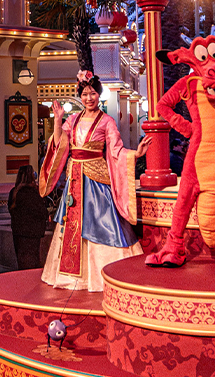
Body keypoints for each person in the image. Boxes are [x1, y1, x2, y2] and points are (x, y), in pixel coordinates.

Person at [39, 71, 145, 292]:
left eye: (93, 93)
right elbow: (60, 145)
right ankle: (73, 276)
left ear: (99, 95)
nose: (89, 98)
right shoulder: (72, 120)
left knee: (102, 223)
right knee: (72, 226)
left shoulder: (107, 121)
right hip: (75, 179)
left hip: (97, 179)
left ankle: (101, 275)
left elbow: (115, 149)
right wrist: (57, 121)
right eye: (85, 94)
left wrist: (135, 154)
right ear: (80, 96)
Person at [7, 165, 48, 270]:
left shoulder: (14, 192)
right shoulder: (33, 193)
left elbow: (10, 209)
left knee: (22, 261)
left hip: (18, 232)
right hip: (32, 233)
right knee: (32, 261)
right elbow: (40, 211)